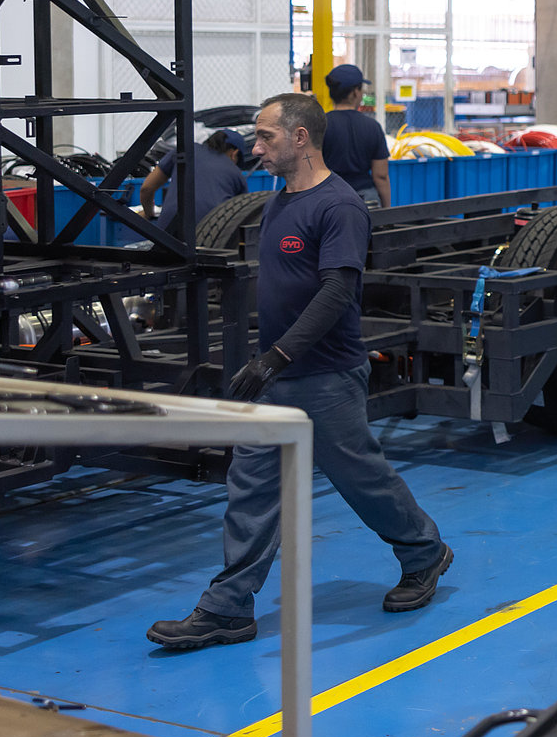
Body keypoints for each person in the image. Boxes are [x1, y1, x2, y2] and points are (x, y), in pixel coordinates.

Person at [147, 93, 451, 650]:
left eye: (265, 137)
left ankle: (425, 551)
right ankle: (228, 608)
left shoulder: (339, 207)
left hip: (326, 377)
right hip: (278, 377)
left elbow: (338, 292)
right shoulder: (279, 200)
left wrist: (277, 356)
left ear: (301, 138)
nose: (254, 146)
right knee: (252, 488)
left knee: (360, 478)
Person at [139, 129, 248, 235]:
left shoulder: (186, 150)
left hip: (167, 231)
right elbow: (242, 216)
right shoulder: (237, 174)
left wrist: (148, 214)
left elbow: (146, 188)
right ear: (234, 154)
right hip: (209, 234)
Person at [321, 63, 391, 208]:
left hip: (328, 197)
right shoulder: (372, 127)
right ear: (355, 92)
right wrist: (387, 211)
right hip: (364, 198)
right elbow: (381, 176)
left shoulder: (319, 125)